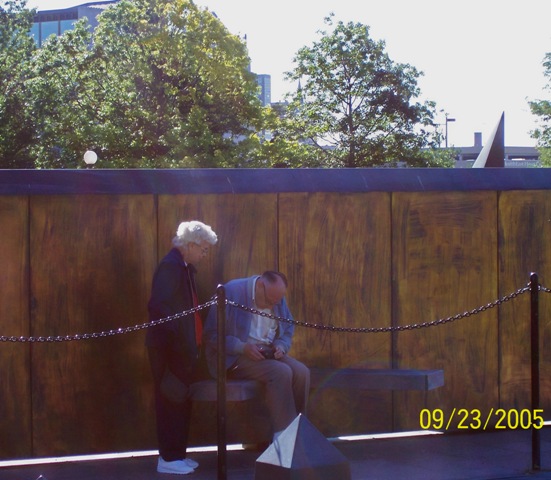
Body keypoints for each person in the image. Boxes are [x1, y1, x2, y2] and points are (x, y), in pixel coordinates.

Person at [146, 220, 218, 475]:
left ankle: (178, 455)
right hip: (170, 349)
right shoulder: (170, 267)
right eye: (204, 249)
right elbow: (159, 308)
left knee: (182, 401)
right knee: (170, 401)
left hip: (184, 349)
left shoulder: (184, 267)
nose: (204, 254)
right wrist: (178, 341)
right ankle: (167, 458)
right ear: (190, 244)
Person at [204, 271, 310, 442]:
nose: (273, 305)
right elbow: (211, 336)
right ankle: (284, 438)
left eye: (277, 301)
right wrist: (242, 347)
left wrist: (281, 346)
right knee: (281, 372)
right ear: (260, 285)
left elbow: (288, 328)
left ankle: (299, 432)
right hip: (234, 356)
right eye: (270, 301)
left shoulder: (276, 298)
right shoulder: (231, 291)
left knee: (302, 371)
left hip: (267, 351)